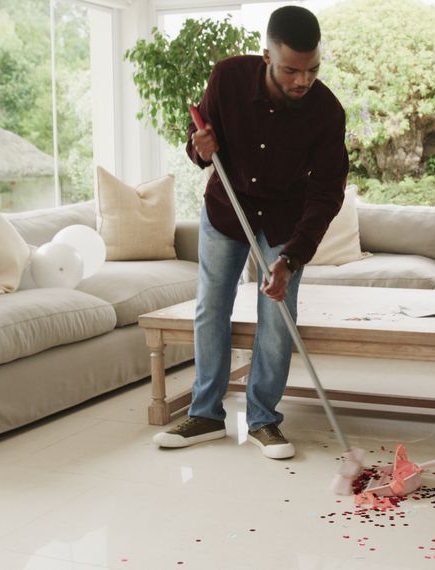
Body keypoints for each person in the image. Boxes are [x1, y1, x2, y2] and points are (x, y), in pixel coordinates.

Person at [153, 6, 349, 460]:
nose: (303, 80)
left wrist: (291, 258)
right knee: (211, 307)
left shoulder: (326, 112)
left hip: (286, 219)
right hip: (228, 208)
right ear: (267, 56)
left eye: (313, 70)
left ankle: (263, 420)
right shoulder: (227, 78)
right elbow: (200, 135)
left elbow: (326, 195)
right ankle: (205, 415)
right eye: (291, 70)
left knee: (277, 318)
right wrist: (198, 147)